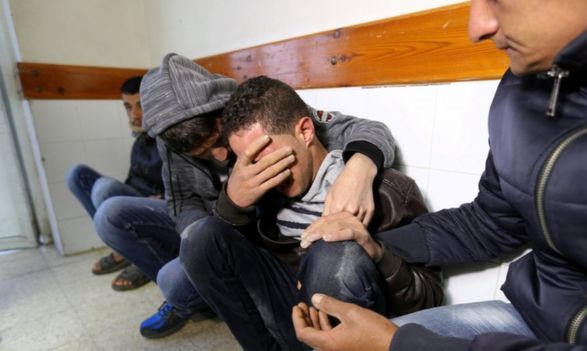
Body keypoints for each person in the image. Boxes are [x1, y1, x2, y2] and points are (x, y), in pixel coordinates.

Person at [292, 0, 587, 350]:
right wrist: (372, 244)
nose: (476, 27)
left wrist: (398, 345)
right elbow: (492, 221)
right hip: (531, 318)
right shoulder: (523, 87)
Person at [94, 53, 400, 339]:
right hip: (220, 225)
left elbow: (367, 129)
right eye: (203, 156)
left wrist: (361, 167)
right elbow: (181, 201)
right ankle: (198, 290)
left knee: (176, 278)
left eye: (218, 141)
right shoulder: (169, 141)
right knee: (120, 221)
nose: (221, 154)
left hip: (262, 235)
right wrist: (222, 215)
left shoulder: (256, 109)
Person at [180, 76, 444, 350]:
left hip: (353, 327)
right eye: (250, 163)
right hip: (289, 305)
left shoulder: (388, 191)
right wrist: (232, 204)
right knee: (200, 237)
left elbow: (428, 298)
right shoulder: (258, 187)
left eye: (271, 159)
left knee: (333, 252)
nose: (264, 173)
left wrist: (376, 252)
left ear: (305, 132)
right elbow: (226, 260)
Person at [65, 76, 156, 291]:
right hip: (138, 199)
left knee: (105, 189)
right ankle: (123, 248)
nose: (134, 114)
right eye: (128, 107)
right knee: (77, 175)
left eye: (141, 105)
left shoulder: (170, 135)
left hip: (160, 205)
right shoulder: (140, 141)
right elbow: (132, 181)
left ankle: (141, 261)